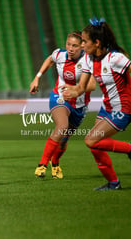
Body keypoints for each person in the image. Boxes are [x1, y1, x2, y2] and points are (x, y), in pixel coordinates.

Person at [62, 17, 131, 191]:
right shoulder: (88, 60)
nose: (82, 45)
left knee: (91, 140)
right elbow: (82, 88)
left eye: (84, 41)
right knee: (95, 144)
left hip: (124, 108)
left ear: (97, 42)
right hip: (107, 107)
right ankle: (113, 183)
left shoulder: (115, 58)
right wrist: (71, 91)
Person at [30, 31, 96, 179]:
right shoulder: (60, 54)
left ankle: (56, 164)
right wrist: (37, 77)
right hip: (59, 97)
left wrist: (76, 89)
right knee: (62, 126)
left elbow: (92, 85)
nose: (70, 48)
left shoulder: (88, 60)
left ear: (82, 47)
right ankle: (42, 165)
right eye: (68, 44)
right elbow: (49, 59)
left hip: (79, 104)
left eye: (75, 46)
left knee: (64, 138)